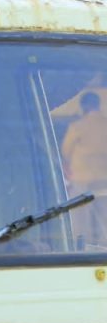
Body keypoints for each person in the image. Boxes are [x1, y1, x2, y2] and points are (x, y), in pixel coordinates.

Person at [62, 91, 107, 245]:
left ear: (84, 106)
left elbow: (65, 151)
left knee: (80, 219)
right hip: (104, 179)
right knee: (104, 218)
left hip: (82, 179)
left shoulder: (77, 126)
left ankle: (81, 248)